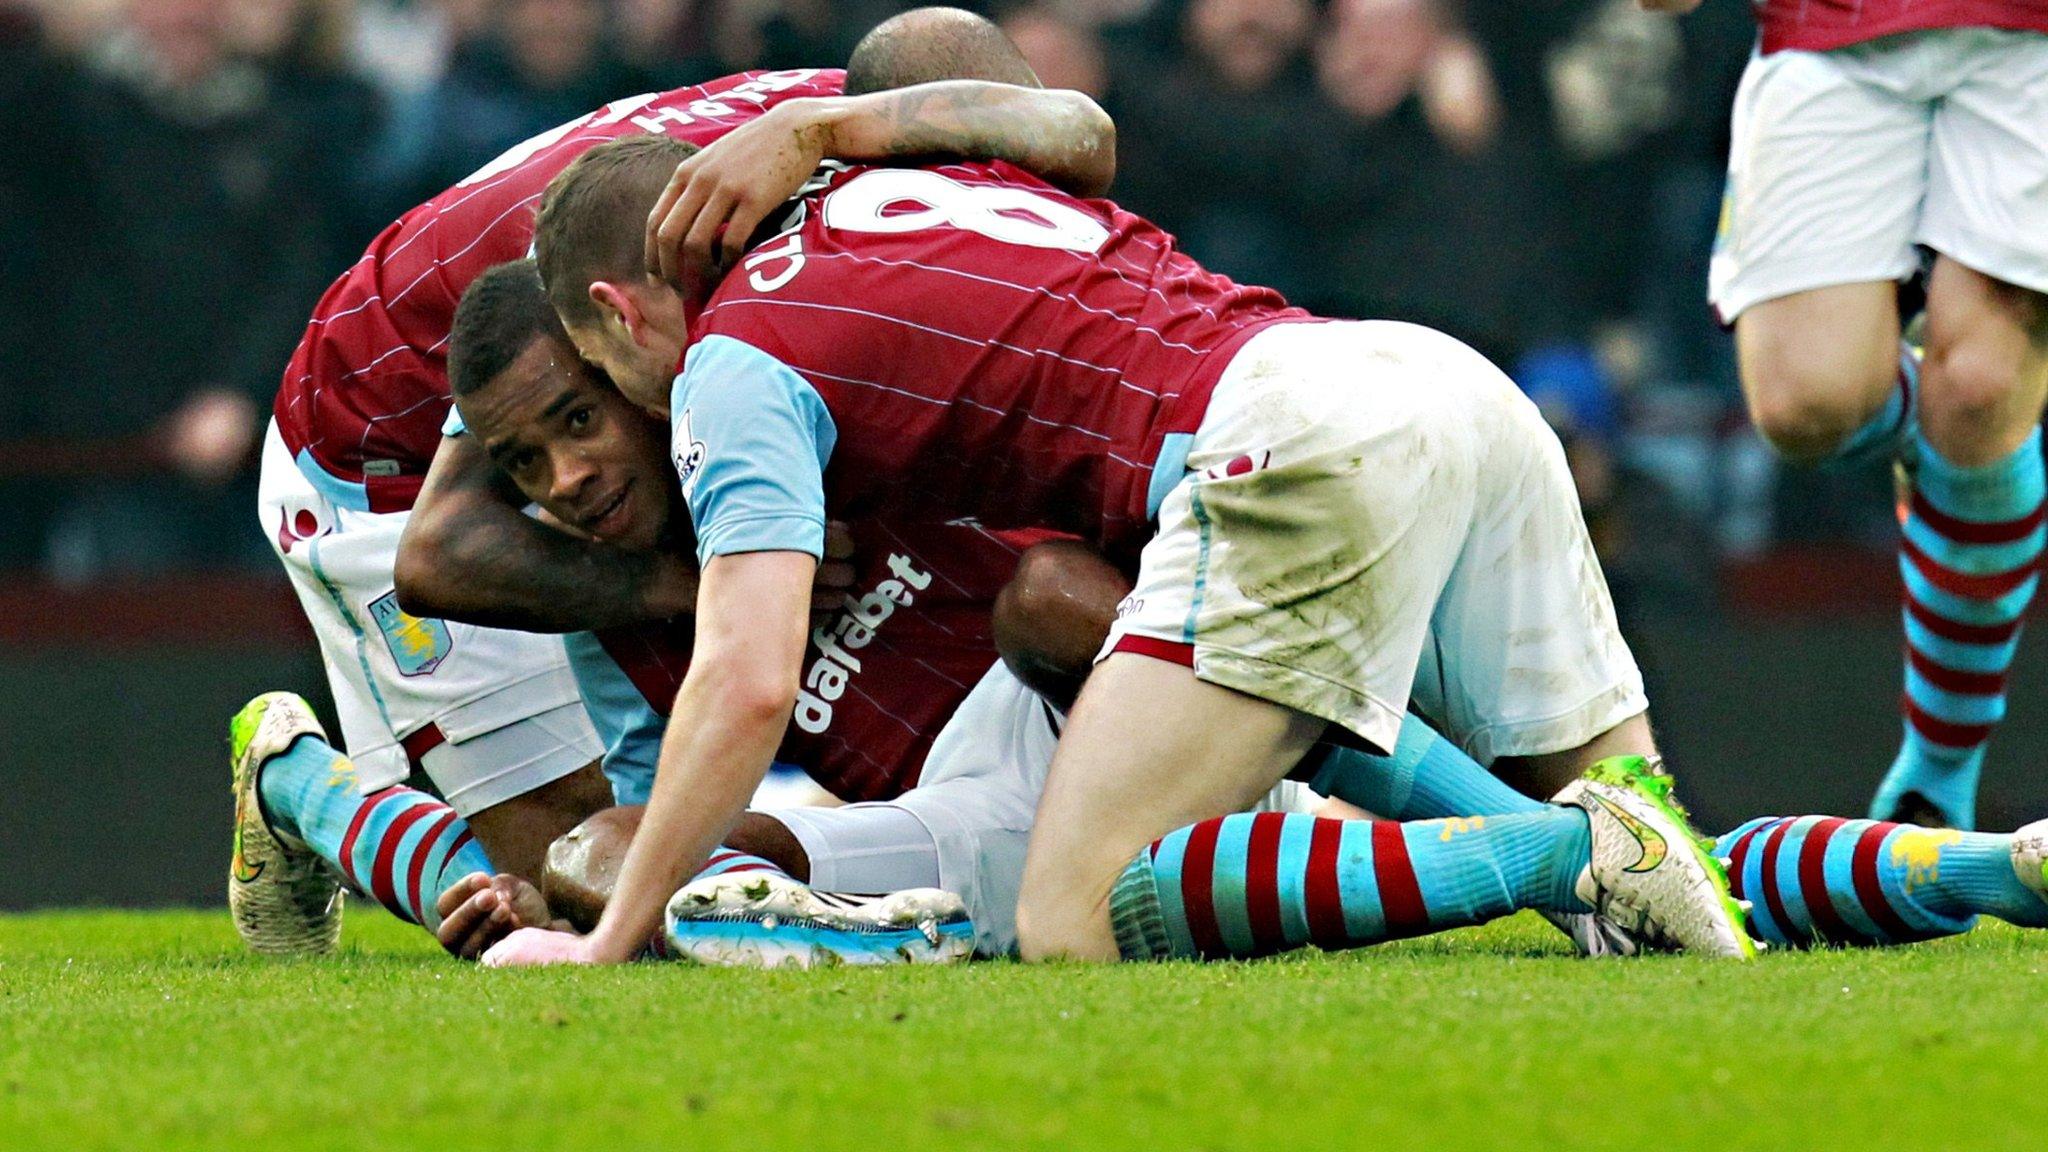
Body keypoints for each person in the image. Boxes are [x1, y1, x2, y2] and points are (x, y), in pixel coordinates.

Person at [433, 261, 2048, 964]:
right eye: (526, 463)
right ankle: (1981, 864)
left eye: (577, 424)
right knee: (1652, 851)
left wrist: (613, 927)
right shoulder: (635, 581)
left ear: (627, 343)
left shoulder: (775, 401)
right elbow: (690, 785)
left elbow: (767, 677)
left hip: (1210, 562)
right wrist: (578, 890)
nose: (567, 474)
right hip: (1388, 413)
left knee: (1068, 842)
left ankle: (1541, 843)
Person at [484, 134, 1759, 969]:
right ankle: (1920, 870)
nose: (642, 407)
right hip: (1435, 382)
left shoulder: (729, 361)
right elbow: (1074, 125)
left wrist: (604, 952)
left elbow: (748, 679)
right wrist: (827, 129)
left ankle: (1553, 851)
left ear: (616, 308)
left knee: (1070, 917)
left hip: (1279, 443)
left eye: (603, 378)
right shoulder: (881, 186)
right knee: (1656, 922)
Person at [230, 7, 1121, 956]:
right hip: (372, 448)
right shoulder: (647, 252)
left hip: (578, 387)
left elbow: (1083, 137)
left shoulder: (858, 143)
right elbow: (443, 548)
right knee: (564, 888)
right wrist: (703, 593)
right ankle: (299, 789)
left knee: (650, 886)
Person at [1639, 0, 2048, 828]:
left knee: (1976, 389)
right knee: (1804, 407)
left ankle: (1939, 771)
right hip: (1829, 24)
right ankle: (1943, 445)